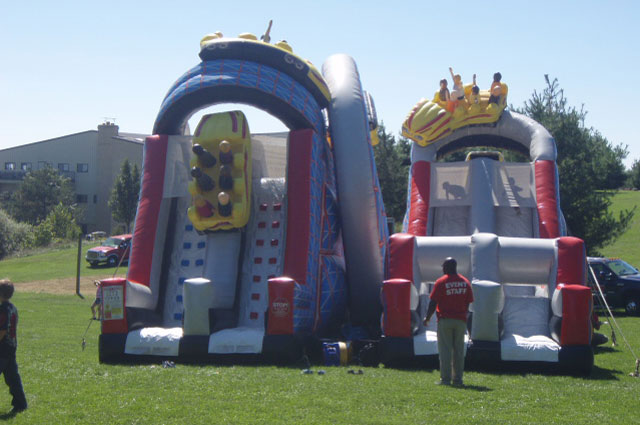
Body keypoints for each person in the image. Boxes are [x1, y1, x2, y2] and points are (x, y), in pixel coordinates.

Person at [423, 258, 473, 387]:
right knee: (459, 351)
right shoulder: (465, 282)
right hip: (461, 321)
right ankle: (458, 380)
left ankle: (445, 379)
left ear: (448, 267)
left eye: (444, 266)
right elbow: (468, 302)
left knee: (445, 351)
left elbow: (433, 302)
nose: (442, 268)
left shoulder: (441, 282)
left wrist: (427, 318)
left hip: (445, 320)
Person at [0, 279, 27, 413]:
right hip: (12, 346)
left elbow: (2, 330)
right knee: (12, 377)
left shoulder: (3, 309)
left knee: (12, 376)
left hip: (2, 348)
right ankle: (20, 403)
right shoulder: (13, 307)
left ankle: (20, 403)